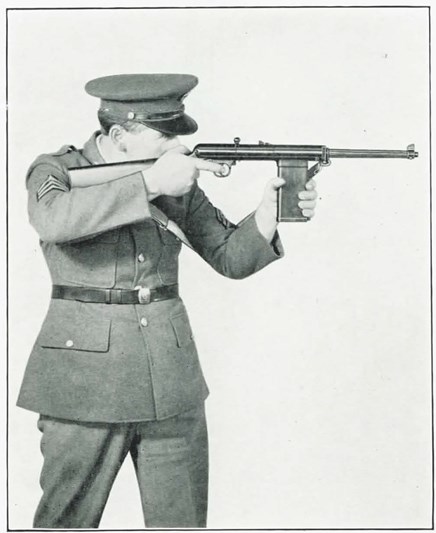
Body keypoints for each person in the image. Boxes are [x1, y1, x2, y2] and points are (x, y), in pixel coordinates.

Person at [16, 73, 317, 528]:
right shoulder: (56, 170)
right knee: (66, 521)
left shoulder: (175, 180)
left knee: (182, 523)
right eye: (164, 136)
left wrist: (267, 216)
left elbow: (229, 258)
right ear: (120, 134)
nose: (176, 146)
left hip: (171, 384)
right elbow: (54, 221)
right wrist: (149, 184)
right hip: (82, 387)